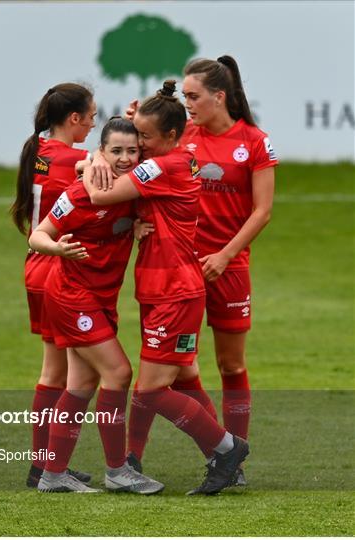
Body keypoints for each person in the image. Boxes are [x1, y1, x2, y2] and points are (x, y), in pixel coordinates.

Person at [83, 80, 249, 495]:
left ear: (170, 137)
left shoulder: (162, 166)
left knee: (151, 390)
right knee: (185, 376)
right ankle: (209, 458)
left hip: (173, 291)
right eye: (137, 134)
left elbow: (101, 197)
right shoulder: (182, 155)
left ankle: (227, 448)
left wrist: (90, 164)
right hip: (167, 288)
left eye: (145, 136)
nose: (137, 143)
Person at [126, 56, 278, 486]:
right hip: (179, 270)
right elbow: (137, 156)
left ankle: (235, 461)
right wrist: (130, 123)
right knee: (171, 366)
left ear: (219, 96)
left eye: (194, 96)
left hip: (227, 266)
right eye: (186, 96)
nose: (188, 103)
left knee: (230, 366)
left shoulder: (254, 141)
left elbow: (262, 211)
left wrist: (226, 255)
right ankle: (134, 458)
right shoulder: (181, 134)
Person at [28, 116, 165, 494]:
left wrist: (136, 227)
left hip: (102, 300)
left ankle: (52, 475)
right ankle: (117, 470)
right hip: (72, 298)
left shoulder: (132, 189)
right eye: (115, 151)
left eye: (131, 151)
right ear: (101, 152)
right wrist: (57, 248)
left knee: (81, 384)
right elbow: (37, 235)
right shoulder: (78, 194)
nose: (124, 158)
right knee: (119, 373)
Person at [10, 82, 96, 488]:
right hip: (55, 268)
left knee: (55, 371)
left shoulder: (39, 150)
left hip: (35, 264)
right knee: (66, 374)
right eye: (92, 116)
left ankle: (43, 464)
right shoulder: (76, 158)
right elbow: (111, 166)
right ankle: (46, 467)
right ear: (74, 118)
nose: (95, 123)